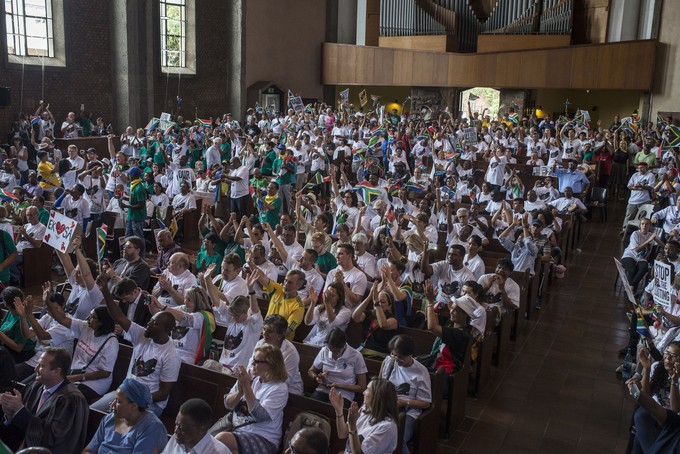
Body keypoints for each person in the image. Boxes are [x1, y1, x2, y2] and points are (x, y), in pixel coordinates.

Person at [91, 273, 181, 416]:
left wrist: (134, 401)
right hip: (125, 393)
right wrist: (105, 291)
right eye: (151, 321)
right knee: (91, 412)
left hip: (148, 403)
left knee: (118, 424)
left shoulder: (171, 355)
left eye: (154, 324)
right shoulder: (142, 335)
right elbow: (118, 316)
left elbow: (164, 393)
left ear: (165, 330)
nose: (149, 325)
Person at [0, 348, 89, 453]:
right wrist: (10, 415)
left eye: (41, 366)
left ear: (56, 371)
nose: (35, 369)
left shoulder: (71, 400)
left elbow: (53, 440)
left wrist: (20, 411)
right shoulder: (34, 387)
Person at [215, 344, 289, 454]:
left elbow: (259, 416)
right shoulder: (249, 376)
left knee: (222, 439)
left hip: (264, 438)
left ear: (271, 365)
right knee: (205, 440)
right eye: (253, 359)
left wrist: (246, 387)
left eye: (257, 361)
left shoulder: (279, 388)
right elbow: (228, 404)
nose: (252, 363)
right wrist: (240, 392)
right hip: (237, 429)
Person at [85, 378, 168, 453]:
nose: (112, 404)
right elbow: (88, 450)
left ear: (133, 406)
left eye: (118, 401)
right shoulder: (110, 419)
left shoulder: (152, 428)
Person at [381, 335, 432, 454]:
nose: (396, 359)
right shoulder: (389, 362)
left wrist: (404, 402)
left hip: (408, 411)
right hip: (386, 407)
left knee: (399, 439)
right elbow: (378, 385)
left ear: (410, 354)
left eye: (400, 357)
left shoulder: (421, 371)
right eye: (394, 354)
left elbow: (426, 403)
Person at [147, 287, 216, 364]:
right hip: (171, 351)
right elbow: (157, 314)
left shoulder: (204, 316)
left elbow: (185, 319)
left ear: (198, 302)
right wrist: (151, 303)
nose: (185, 302)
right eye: (185, 298)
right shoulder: (182, 308)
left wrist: (162, 306)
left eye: (189, 300)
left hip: (187, 356)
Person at [330, 378, 399, 454]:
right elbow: (342, 434)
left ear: (377, 396)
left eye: (368, 389)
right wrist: (339, 410)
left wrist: (352, 425)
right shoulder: (365, 409)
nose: (363, 392)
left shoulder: (387, 427)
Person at [308, 328, 368, 407]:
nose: (333, 354)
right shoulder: (324, 351)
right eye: (331, 350)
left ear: (344, 346)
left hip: (343, 394)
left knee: (332, 410)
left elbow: (362, 387)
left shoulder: (356, 356)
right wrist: (317, 378)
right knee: (311, 407)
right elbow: (311, 371)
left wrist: (339, 385)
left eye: (336, 351)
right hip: (323, 390)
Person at [248, 260, 305, 340]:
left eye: (290, 282)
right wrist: (250, 263)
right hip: (265, 333)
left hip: (280, 341)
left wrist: (267, 334)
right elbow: (262, 277)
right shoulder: (278, 289)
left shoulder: (299, 306)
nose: (285, 284)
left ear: (298, 286)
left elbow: (287, 330)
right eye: (285, 280)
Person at [251, 315, 304, 395]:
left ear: (280, 335)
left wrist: (261, 377)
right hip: (262, 382)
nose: (265, 333)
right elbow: (251, 366)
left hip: (288, 390)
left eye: (270, 331)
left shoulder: (290, 352)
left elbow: (285, 379)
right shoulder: (260, 343)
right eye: (264, 329)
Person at [55, 236, 103, 320]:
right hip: (64, 324)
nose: (75, 275)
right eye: (76, 271)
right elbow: (65, 259)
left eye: (79, 273)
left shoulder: (94, 292)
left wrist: (77, 250)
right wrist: (55, 239)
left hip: (78, 330)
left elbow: (86, 274)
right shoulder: (76, 283)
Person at [163, 398, 232, 453]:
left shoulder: (219, 452)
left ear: (201, 429)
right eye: (176, 424)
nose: (176, 431)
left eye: (182, 428)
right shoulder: (177, 438)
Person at [351, 284, 398, 356]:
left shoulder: (393, 320)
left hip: (380, 354)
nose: (379, 304)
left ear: (389, 306)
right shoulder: (369, 314)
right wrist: (370, 296)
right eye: (377, 301)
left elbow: (383, 324)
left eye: (382, 302)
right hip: (363, 351)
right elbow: (355, 317)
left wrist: (376, 302)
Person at [303, 282, 351, 347]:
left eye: (332, 295)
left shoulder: (346, 312)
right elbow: (307, 322)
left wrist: (327, 303)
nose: (328, 297)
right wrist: (313, 303)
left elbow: (333, 323)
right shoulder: (320, 308)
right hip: (313, 342)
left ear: (339, 297)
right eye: (327, 294)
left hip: (331, 346)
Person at [9, 206, 46, 285]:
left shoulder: (42, 228)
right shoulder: (26, 225)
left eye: (31, 215)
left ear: (37, 215)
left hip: (28, 253)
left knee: (10, 261)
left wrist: (25, 234)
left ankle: (16, 280)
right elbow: (17, 242)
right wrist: (20, 233)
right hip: (18, 250)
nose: (29, 217)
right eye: (27, 215)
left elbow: (37, 244)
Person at [325, 244, 368, 308]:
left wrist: (342, 283)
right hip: (330, 309)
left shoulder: (360, 276)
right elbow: (324, 296)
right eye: (336, 254)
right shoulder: (332, 273)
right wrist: (333, 284)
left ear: (349, 256)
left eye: (340, 254)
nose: (336, 256)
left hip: (348, 311)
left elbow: (354, 302)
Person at [0, 286, 37, 363]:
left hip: (21, 353)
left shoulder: (20, 319)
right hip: (7, 346)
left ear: (6, 303)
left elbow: (18, 347)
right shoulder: (11, 311)